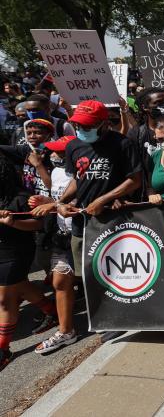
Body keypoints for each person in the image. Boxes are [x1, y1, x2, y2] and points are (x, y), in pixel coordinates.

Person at [55, 101, 143, 282]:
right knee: (86, 276)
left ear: (105, 123)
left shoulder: (122, 144)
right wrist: (61, 202)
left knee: (117, 273)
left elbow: (135, 181)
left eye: (88, 125)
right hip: (82, 222)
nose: (82, 129)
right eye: (78, 125)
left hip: (114, 221)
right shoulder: (73, 146)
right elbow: (77, 179)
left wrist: (103, 200)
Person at [0, 154, 55, 371]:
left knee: (5, 300)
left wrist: (13, 222)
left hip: (16, 252)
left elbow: (38, 224)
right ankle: (52, 310)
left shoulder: (22, 197)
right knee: (20, 287)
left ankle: (3, 349)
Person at [29, 136, 79, 355]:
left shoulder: (83, 174)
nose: (54, 155)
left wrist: (54, 206)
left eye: (60, 152)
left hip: (83, 234)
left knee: (94, 280)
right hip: (62, 234)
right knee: (59, 281)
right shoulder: (57, 171)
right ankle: (66, 331)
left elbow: (81, 204)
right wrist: (46, 202)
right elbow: (57, 199)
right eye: (53, 151)